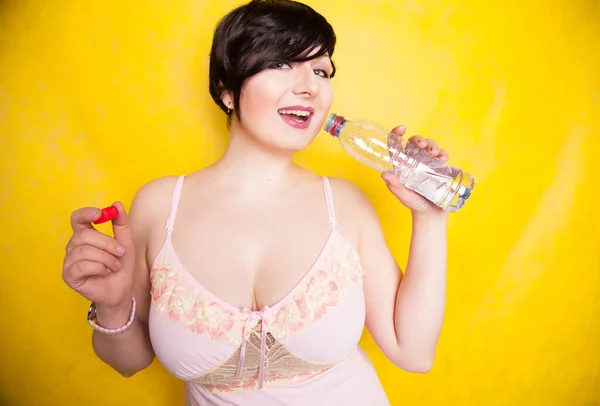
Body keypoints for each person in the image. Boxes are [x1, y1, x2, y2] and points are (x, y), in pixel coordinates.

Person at [62, 0, 450, 404]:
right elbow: (129, 361)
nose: (310, 85)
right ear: (227, 92)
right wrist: (110, 304)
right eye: (282, 63)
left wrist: (429, 218)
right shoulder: (160, 207)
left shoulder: (345, 205)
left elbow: (414, 352)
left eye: (321, 70)